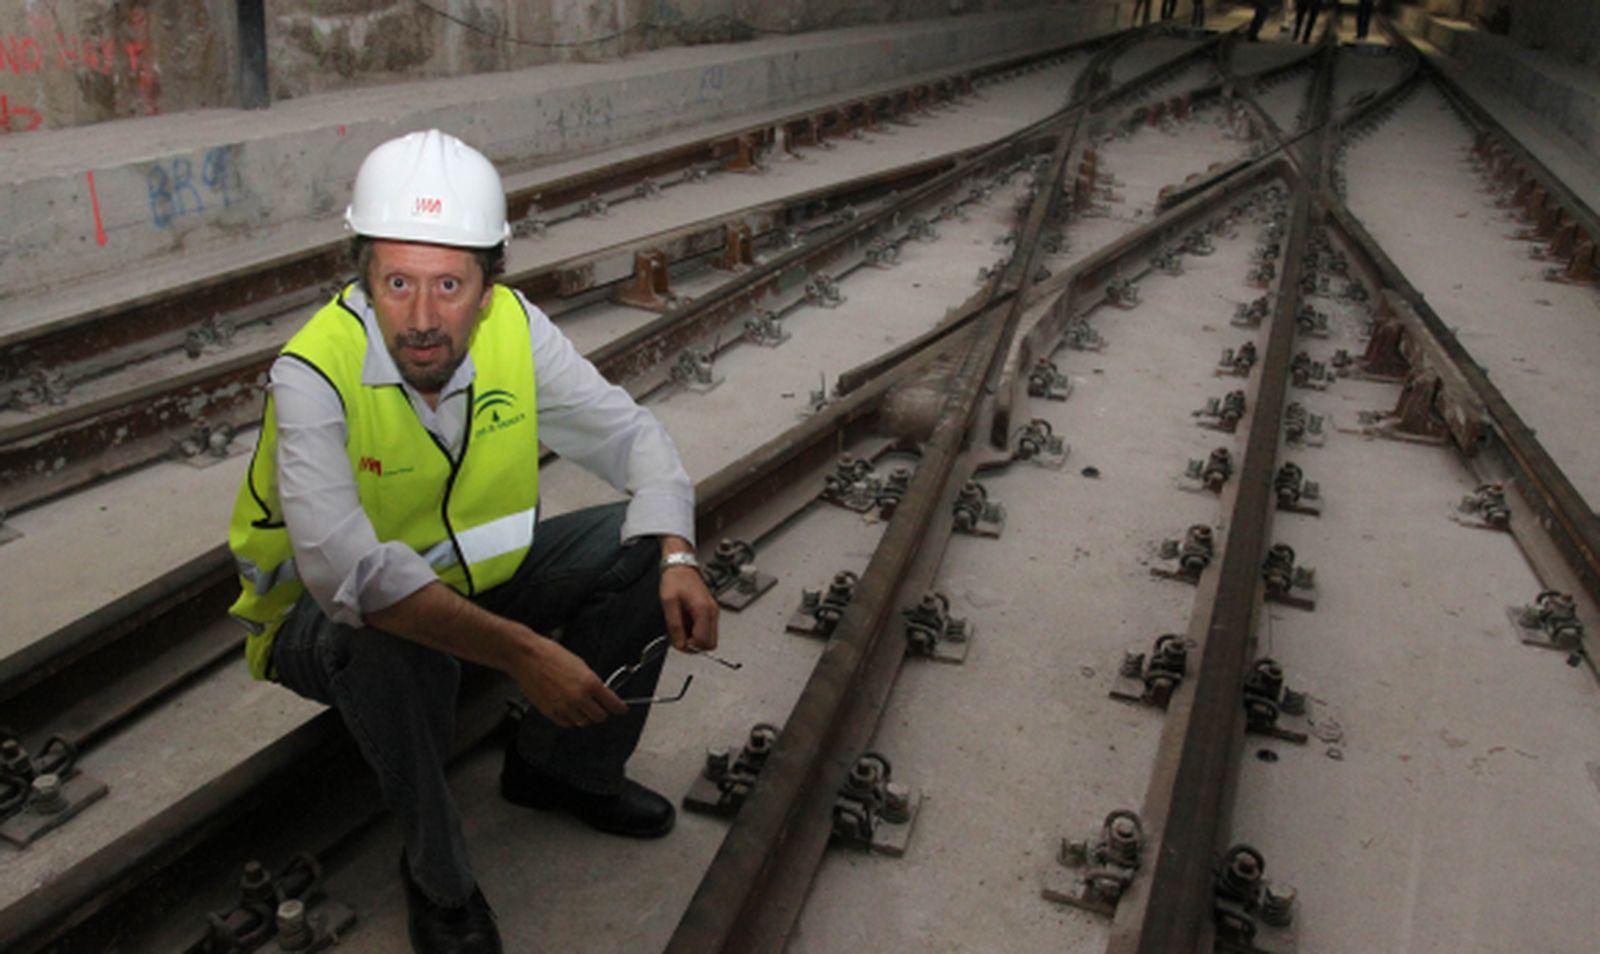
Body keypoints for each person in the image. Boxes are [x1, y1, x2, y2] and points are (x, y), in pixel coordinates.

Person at [227, 129, 720, 954]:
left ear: (490, 286)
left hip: (473, 583)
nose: (422, 319)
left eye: (450, 284)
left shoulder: (515, 331)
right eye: (398, 284)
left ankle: (562, 770)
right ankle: (438, 880)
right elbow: (354, 577)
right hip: (317, 628)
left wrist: (677, 552)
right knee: (389, 639)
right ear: (365, 278)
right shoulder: (312, 372)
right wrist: (525, 654)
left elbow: (632, 437)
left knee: (639, 543)